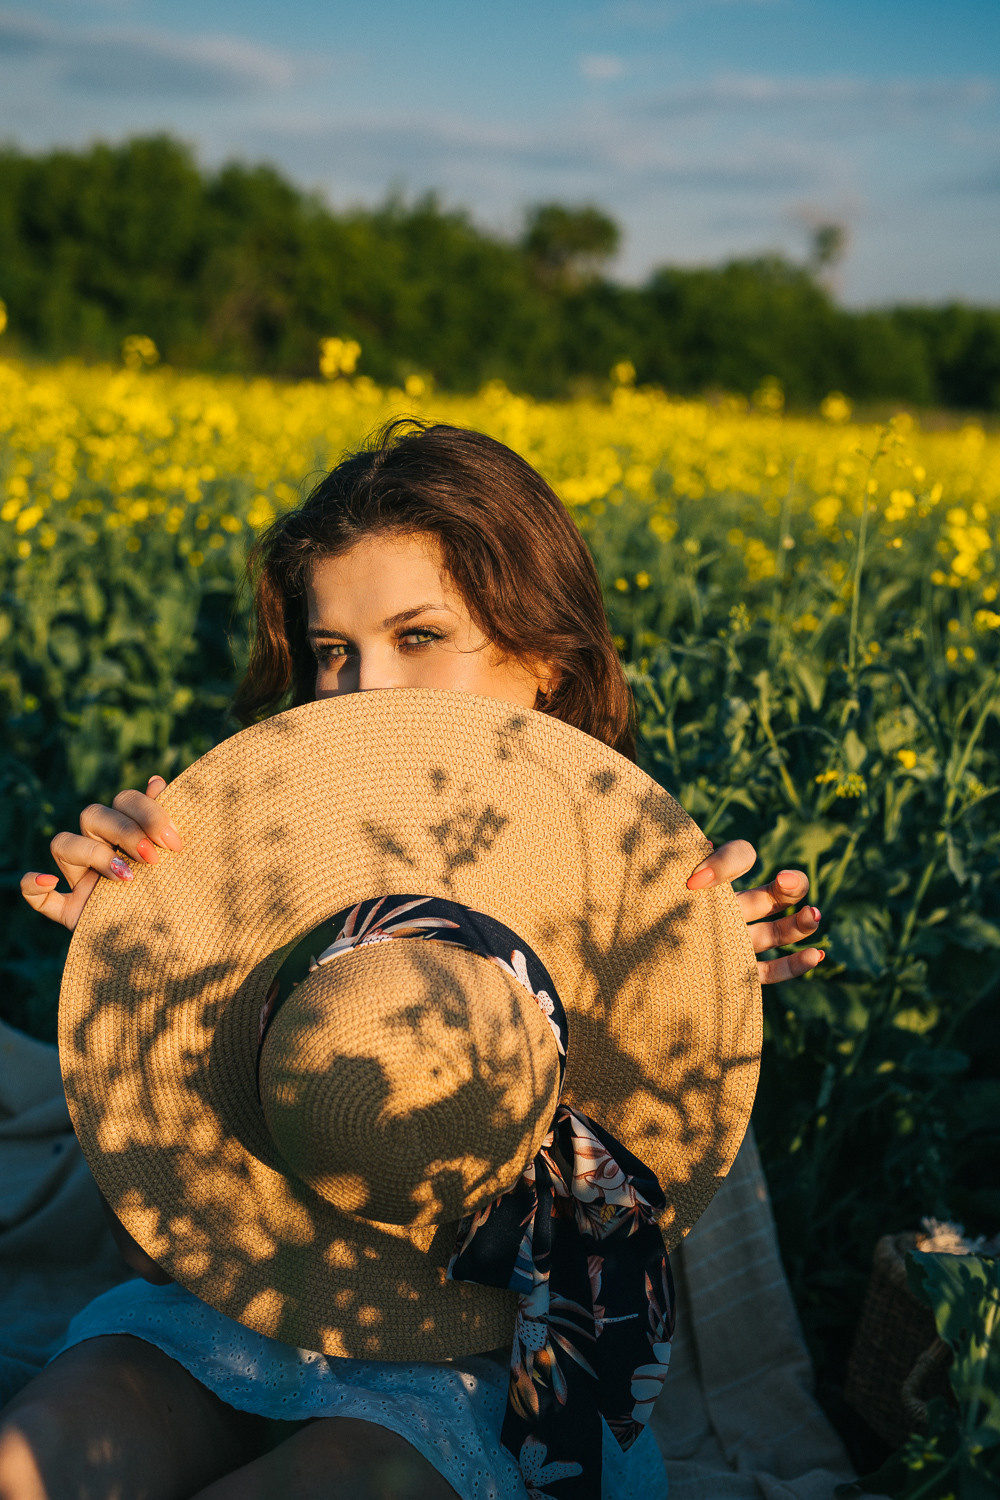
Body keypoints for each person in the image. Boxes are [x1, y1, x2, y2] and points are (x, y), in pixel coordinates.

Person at [2, 421, 823, 1500]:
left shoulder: (629, 892)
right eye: (332, 650)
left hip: (476, 1371)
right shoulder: (245, 854)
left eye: (419, 636)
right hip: (227, 1316)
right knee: (30, 1459)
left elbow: (616, 1245)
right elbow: (157, 1249)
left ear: (546, 662)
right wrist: (132, 974)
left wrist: (690, 992)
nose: (363, 691)